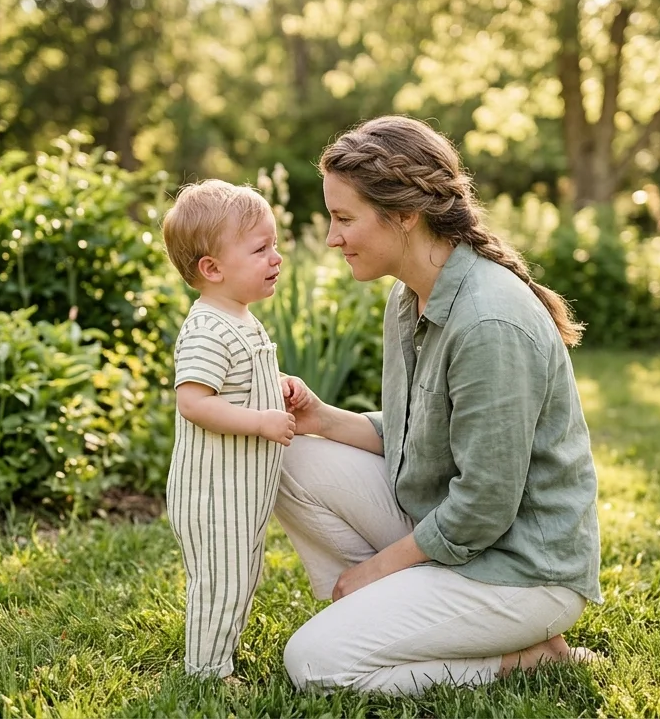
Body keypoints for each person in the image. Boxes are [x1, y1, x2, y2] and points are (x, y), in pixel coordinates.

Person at [274, 115, 602, 695]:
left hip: (522, 570)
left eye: (344, 218)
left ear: (405, 214)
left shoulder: (488, 322)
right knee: (289, 456)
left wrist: (374, 570)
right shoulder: (410, 298)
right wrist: (320, 419)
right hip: (457, 533)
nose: (331, 238)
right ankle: (389, 614)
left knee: (315, 665)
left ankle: (525, 659)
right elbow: (418, 433)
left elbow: (483, 505)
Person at [160, 180, 309, 678]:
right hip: (214, 493)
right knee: (220, 581)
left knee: (242, 573)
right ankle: (206, 671)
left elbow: (240, 383)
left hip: (240, 491)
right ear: (212, 268)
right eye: (261, 249)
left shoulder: (239, 318)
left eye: (275, 245)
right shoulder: (207, 329)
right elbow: (194, 402)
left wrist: (277, 386)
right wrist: (262, 421)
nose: (276, 258)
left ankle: (221, 652)